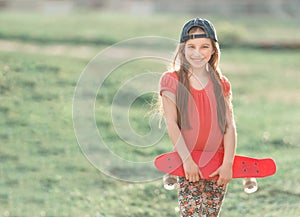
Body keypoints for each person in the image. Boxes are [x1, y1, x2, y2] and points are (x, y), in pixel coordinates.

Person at [159, 18, 237, 216]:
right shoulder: (171, 80)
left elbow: (229, 127)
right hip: (189, 160)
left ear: (213, 50)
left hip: (217, 162)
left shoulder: (221, 83)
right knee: (192, 213)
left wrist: (227, 163)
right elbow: (171, 123)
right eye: (191, 46)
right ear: (183, 49)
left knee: (211, 214)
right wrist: (186, 160)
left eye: (204, 46)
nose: (197, 52)